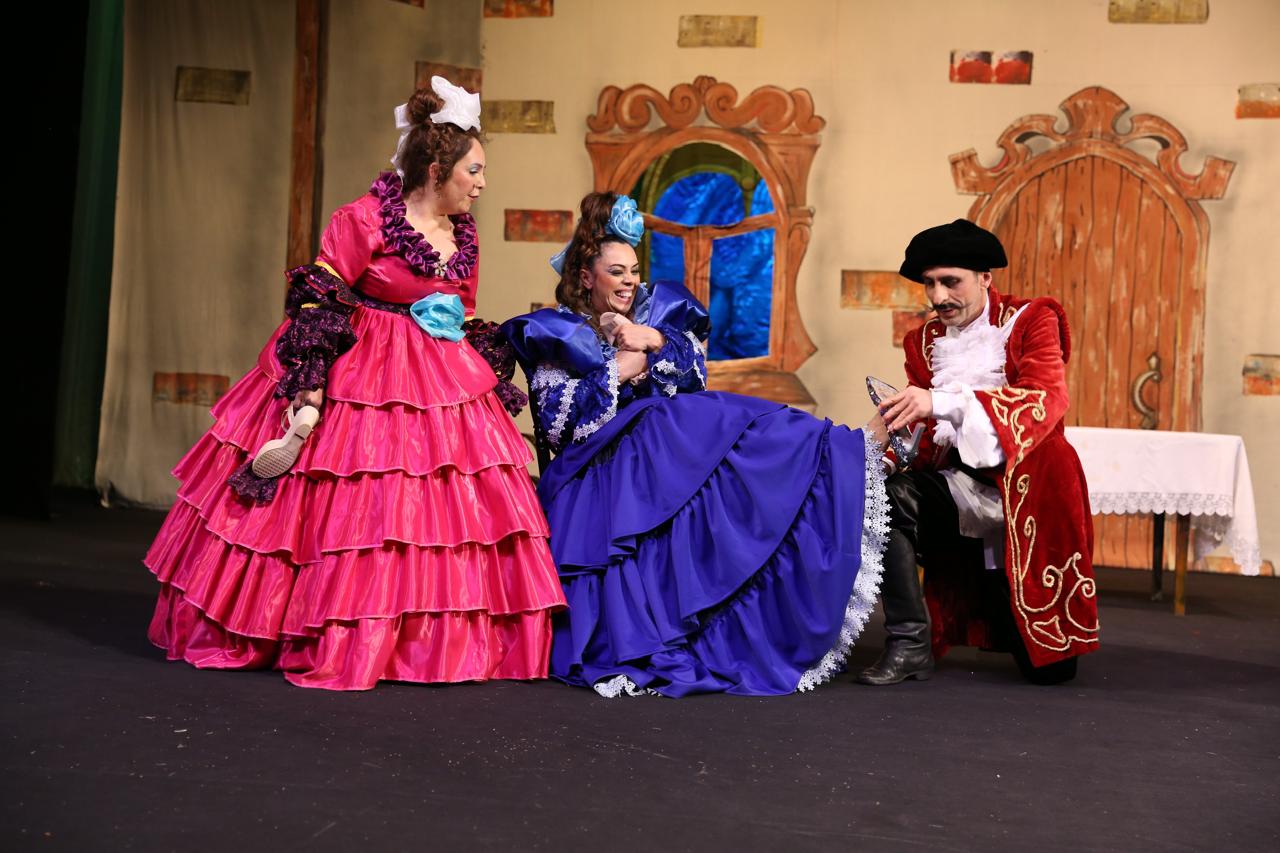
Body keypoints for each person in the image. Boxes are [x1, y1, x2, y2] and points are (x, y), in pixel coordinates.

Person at [144, 77, 566, 690]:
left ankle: (420, 639)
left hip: (438, 377)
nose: (480, 184)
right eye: (473, 171)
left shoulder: (463, 234)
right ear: (436, 169)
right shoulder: (365, 219)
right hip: (363, 368)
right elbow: (319, 298)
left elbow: (462, 311)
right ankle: (329, 624)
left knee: (437, 510)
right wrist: (310, 387)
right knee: (354, 502)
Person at [501, 193, 890, 698]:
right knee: (697, 420)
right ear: (585, 277)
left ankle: (846, 451)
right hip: (595, 471)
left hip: (657, 455)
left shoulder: (653, 317)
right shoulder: (557, 333)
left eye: (634, 271)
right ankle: (849, 448)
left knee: (730, 420)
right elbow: (560, 422)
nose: (629, 281)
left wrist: (651, 342)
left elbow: (693, 373)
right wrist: (623, 366)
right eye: (616, 272)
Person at [857, 219, 1098, 687]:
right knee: (882, 497)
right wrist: (875, 455)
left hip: (1030, 489)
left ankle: (1021, 624)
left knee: (1051, 672)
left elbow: (1045, 398)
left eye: (951, 281)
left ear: (985, 278)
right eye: (930, 283)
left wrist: (940, 402)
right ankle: (909, 644)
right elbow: (921, 427)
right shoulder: (923, 341)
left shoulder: (1032, 319)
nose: (938, 296)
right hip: (960, 485)